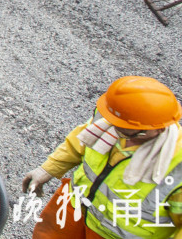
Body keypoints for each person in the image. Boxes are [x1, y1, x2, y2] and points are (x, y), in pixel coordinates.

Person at [21, 76, 182, 239]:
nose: (117, 133)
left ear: (158, 129)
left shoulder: (177, 166)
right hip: (73, 208)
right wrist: (48, 168)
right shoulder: (114, 120)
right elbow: (79, 141)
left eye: (127, 132)